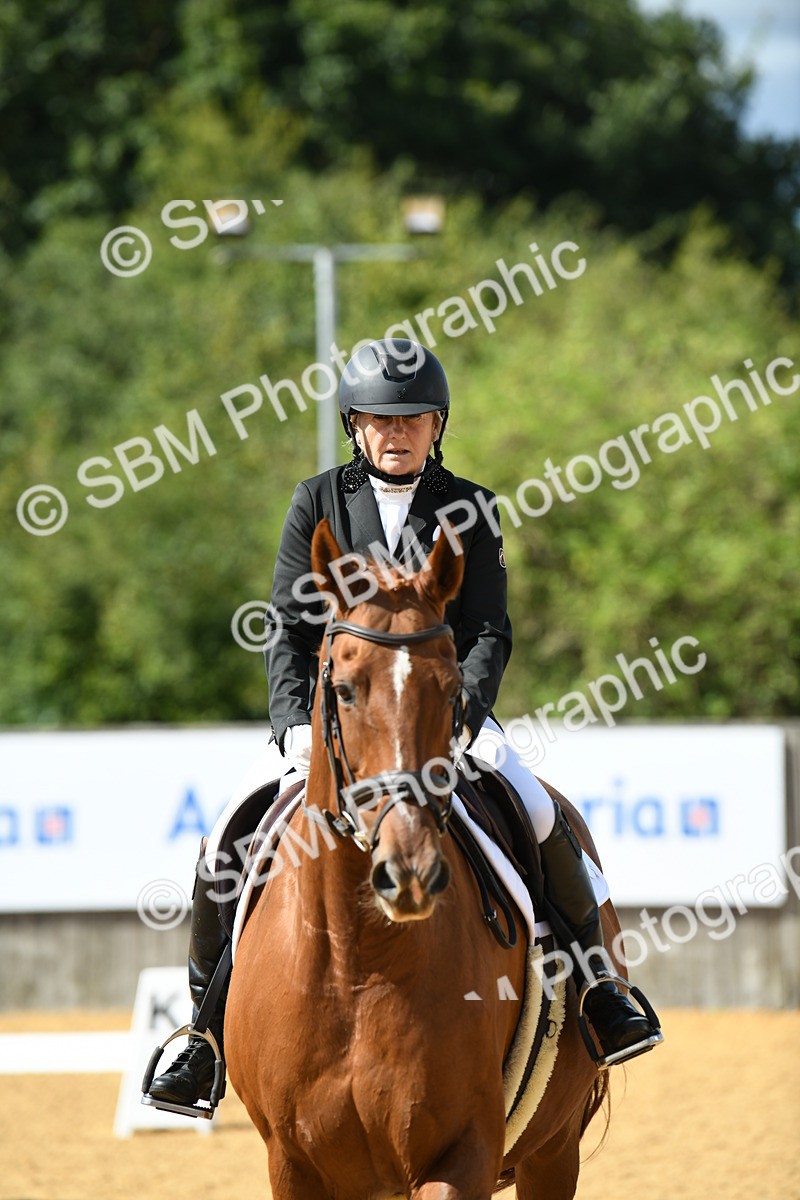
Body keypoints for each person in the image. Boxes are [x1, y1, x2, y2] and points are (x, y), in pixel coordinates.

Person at [145, 338, 660, 1114]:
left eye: (414, 418)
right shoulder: (315, 499)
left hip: (443, 717)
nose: (397, 432)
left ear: (436, 425)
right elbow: (287, 629)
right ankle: (202, 1035)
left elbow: (488, 629)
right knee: (227, 836)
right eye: (381, 419)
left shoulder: (470, 506)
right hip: (340, 732)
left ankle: (599, 990)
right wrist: (293, 728)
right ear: (355, 426)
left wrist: (458, 720)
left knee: (542, 811)